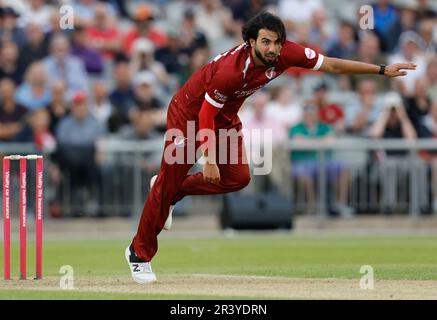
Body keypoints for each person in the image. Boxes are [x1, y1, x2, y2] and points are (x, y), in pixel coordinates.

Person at [125, 11, 416, 284]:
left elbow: (330, 64)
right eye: (266, 41)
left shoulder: (286, 53)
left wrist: (382, 70)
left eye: (277, 41)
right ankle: (139, 253)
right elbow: (204, 115)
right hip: (188, 113)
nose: (273, 48)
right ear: (251, 42)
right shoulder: (230, 71)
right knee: (168, 183)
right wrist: (209, 157)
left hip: (224, 117)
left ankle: (172, 189)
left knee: (237, 178)